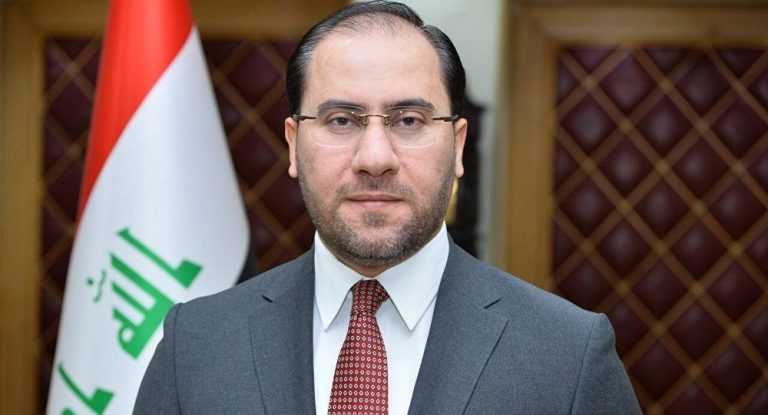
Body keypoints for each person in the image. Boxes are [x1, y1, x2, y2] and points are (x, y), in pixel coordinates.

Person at [134, 1, 642, 414]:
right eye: (341, 120)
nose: (375, 158)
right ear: (293, 144)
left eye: (409, 120)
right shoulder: (194, 347)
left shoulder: (567, 357)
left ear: (458, 146)